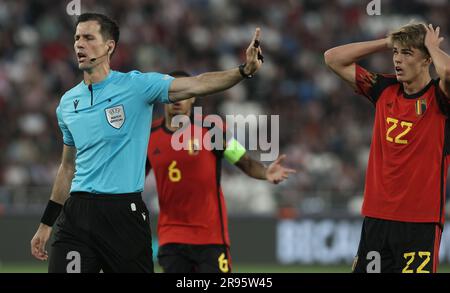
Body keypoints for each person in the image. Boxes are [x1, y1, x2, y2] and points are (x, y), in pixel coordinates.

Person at [30, 12, 263, 273]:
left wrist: (243, 71)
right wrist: (46, 223)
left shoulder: (136, 86)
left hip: (123, 214)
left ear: (109, 46)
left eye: (88, 37)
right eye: (76, 38)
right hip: (77, 214)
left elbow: (196, 84)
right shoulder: (67, 104)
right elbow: (67, 168)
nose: (79, 44)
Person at [324, 23, 450, 273]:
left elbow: (447, 72)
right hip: (377, 218)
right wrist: (386, 42)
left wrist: (433, 47)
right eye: (396, 53)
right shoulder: (383, 89)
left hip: (420, 222)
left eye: (407, 53)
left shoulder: (440, 97)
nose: (398, 60)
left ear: (426, 60)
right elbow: (332, 58)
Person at [145, 70, 296, 272]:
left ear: (193, 98)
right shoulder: (148, 136)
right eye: (173, 93)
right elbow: (132, 179)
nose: (178, 99)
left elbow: (243, 161)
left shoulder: (211, 130)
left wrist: (265, 172)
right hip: (172, 237)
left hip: (211, 237)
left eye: (184, 93)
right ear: (163, 96)